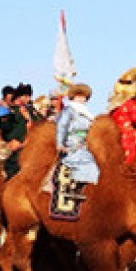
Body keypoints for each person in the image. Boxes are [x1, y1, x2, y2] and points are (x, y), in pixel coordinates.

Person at [49, 83, 99, 218]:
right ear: (74, 96)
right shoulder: (69, 111)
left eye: (84, 97)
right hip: (71, 142)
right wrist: (60, 143)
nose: (82, 99)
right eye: (80, 96)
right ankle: (70, 190)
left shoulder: (87, 114)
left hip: (85, 143)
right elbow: (62, 126)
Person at [0, 83, 37, 177]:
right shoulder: (10, 111)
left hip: (30, 148)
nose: (28, 99)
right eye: (26, 96)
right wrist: (3, 111)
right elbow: (4, 127)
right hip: (14, 149)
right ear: (20, 97)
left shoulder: (31, 111)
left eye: (29, 96)